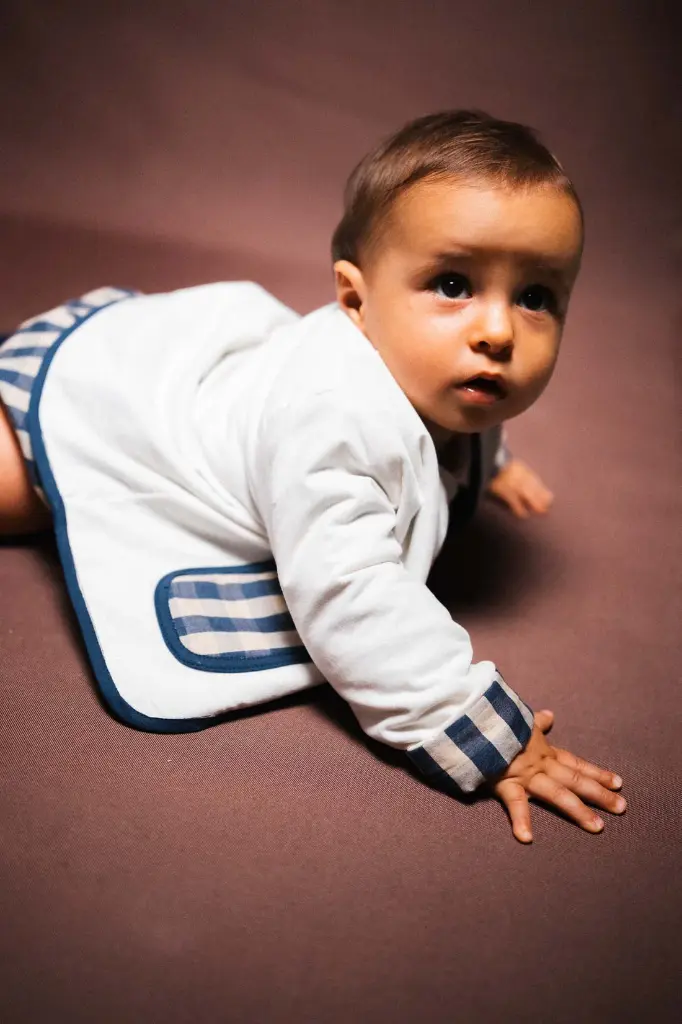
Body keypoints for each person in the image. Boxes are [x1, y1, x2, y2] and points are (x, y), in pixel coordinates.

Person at [0, 109, 626, 842]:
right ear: (356, 300)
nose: (498, 330)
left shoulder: (446, 377)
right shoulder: (333, 420)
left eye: (536, 297)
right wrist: (486, 735)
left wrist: (493, 466)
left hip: (217, 381)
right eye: (454, 283)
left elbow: (460, 415)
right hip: (126, 413)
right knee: (18, 493)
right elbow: (352, 592)